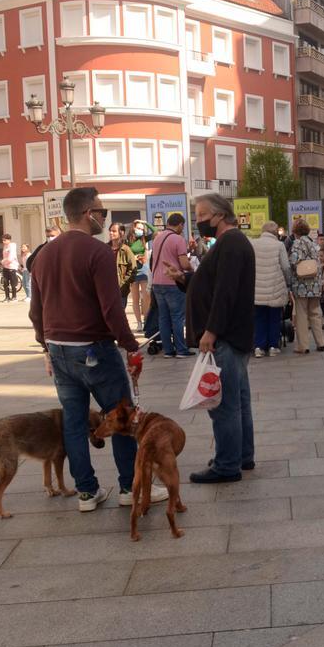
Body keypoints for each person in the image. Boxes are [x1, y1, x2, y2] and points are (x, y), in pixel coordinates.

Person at [29, 187, 162, 511]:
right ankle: (130, 488)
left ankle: (87, 492)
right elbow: (111, 310)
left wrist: (45, 345)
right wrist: (131, 347)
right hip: (94, 348)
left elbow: (36, 310)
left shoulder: (43, 254)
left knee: (74, 422)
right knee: (121, 418)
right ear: (89, 214)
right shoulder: (99, 253)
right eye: (102, 212)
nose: (105, 217)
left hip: (59, 349)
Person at [184, 193, 256, 484]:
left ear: (220, 215)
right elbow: (215, 286)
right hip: (233, 336)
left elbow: (225, 292)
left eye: (202, 216)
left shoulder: (230, 244)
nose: (199, 221)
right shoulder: (230, 243)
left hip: (225, 337)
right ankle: (242, 456)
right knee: (238, 401)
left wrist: (210, 331)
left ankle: (227, 465)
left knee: (224, 405)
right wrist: (186, 280)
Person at [151, 213, 194, 359]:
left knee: (163, 317)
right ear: (180, 224)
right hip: (173, 281)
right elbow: (184, 264)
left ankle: (168, 350)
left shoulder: (157, 238)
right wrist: (192, 269)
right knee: (177, 317)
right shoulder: (178, 239)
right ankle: (181, 350)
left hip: (157, 281)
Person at [250, 220, 290, 358]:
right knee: (274, 318)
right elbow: (285, 266)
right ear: (275, 233)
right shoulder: (279, 245)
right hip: (275, 287)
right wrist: (288, 282)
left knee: (259, 318)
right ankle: (273, 346)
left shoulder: (253, 244)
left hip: (257, 287)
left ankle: (259, 347)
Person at [288, 218, 324, 354]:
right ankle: (320, 342)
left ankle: (303, 346)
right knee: (315, 313)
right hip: (315, 284)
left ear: (295, 231)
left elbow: (293, 261)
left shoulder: (297, 243)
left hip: (302, 285)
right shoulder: (313, 243)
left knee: (302, 315)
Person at [128, 220, 151, 330]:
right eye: (139, 228)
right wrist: (134, 258)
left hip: (143, 270)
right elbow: (125, 254)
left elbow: (156, 232)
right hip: (133, 271)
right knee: (135, 298)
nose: (140, 231)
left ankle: (146, 320)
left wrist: (145, 222)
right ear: (133, 228)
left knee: (146, 297)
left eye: (142, 229)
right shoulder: (129, 240)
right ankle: (139, 323)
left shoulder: (143, 239)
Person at [109, 223, 137, 309]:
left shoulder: (126, 250)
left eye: (114, 231)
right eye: (110, 231)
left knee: (119, 317)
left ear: (121, 233)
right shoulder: (104, 248)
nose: (111, 233)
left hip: (121, 292)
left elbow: (133, 270)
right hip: (106, 291)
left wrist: (123, 284)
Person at [0, 233, 20, 303]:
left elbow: (11, 258)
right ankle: (7, 297)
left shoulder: (12, 246)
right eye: (3, 240)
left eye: (5, 240)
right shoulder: (5, 246)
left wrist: (3, 262)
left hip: (12, 266)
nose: (3, 242)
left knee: (13, 283)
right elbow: (5, 257)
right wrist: (3, 263)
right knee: (5, 282)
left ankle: (14, 297)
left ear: (9, 240)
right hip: (5, 267)